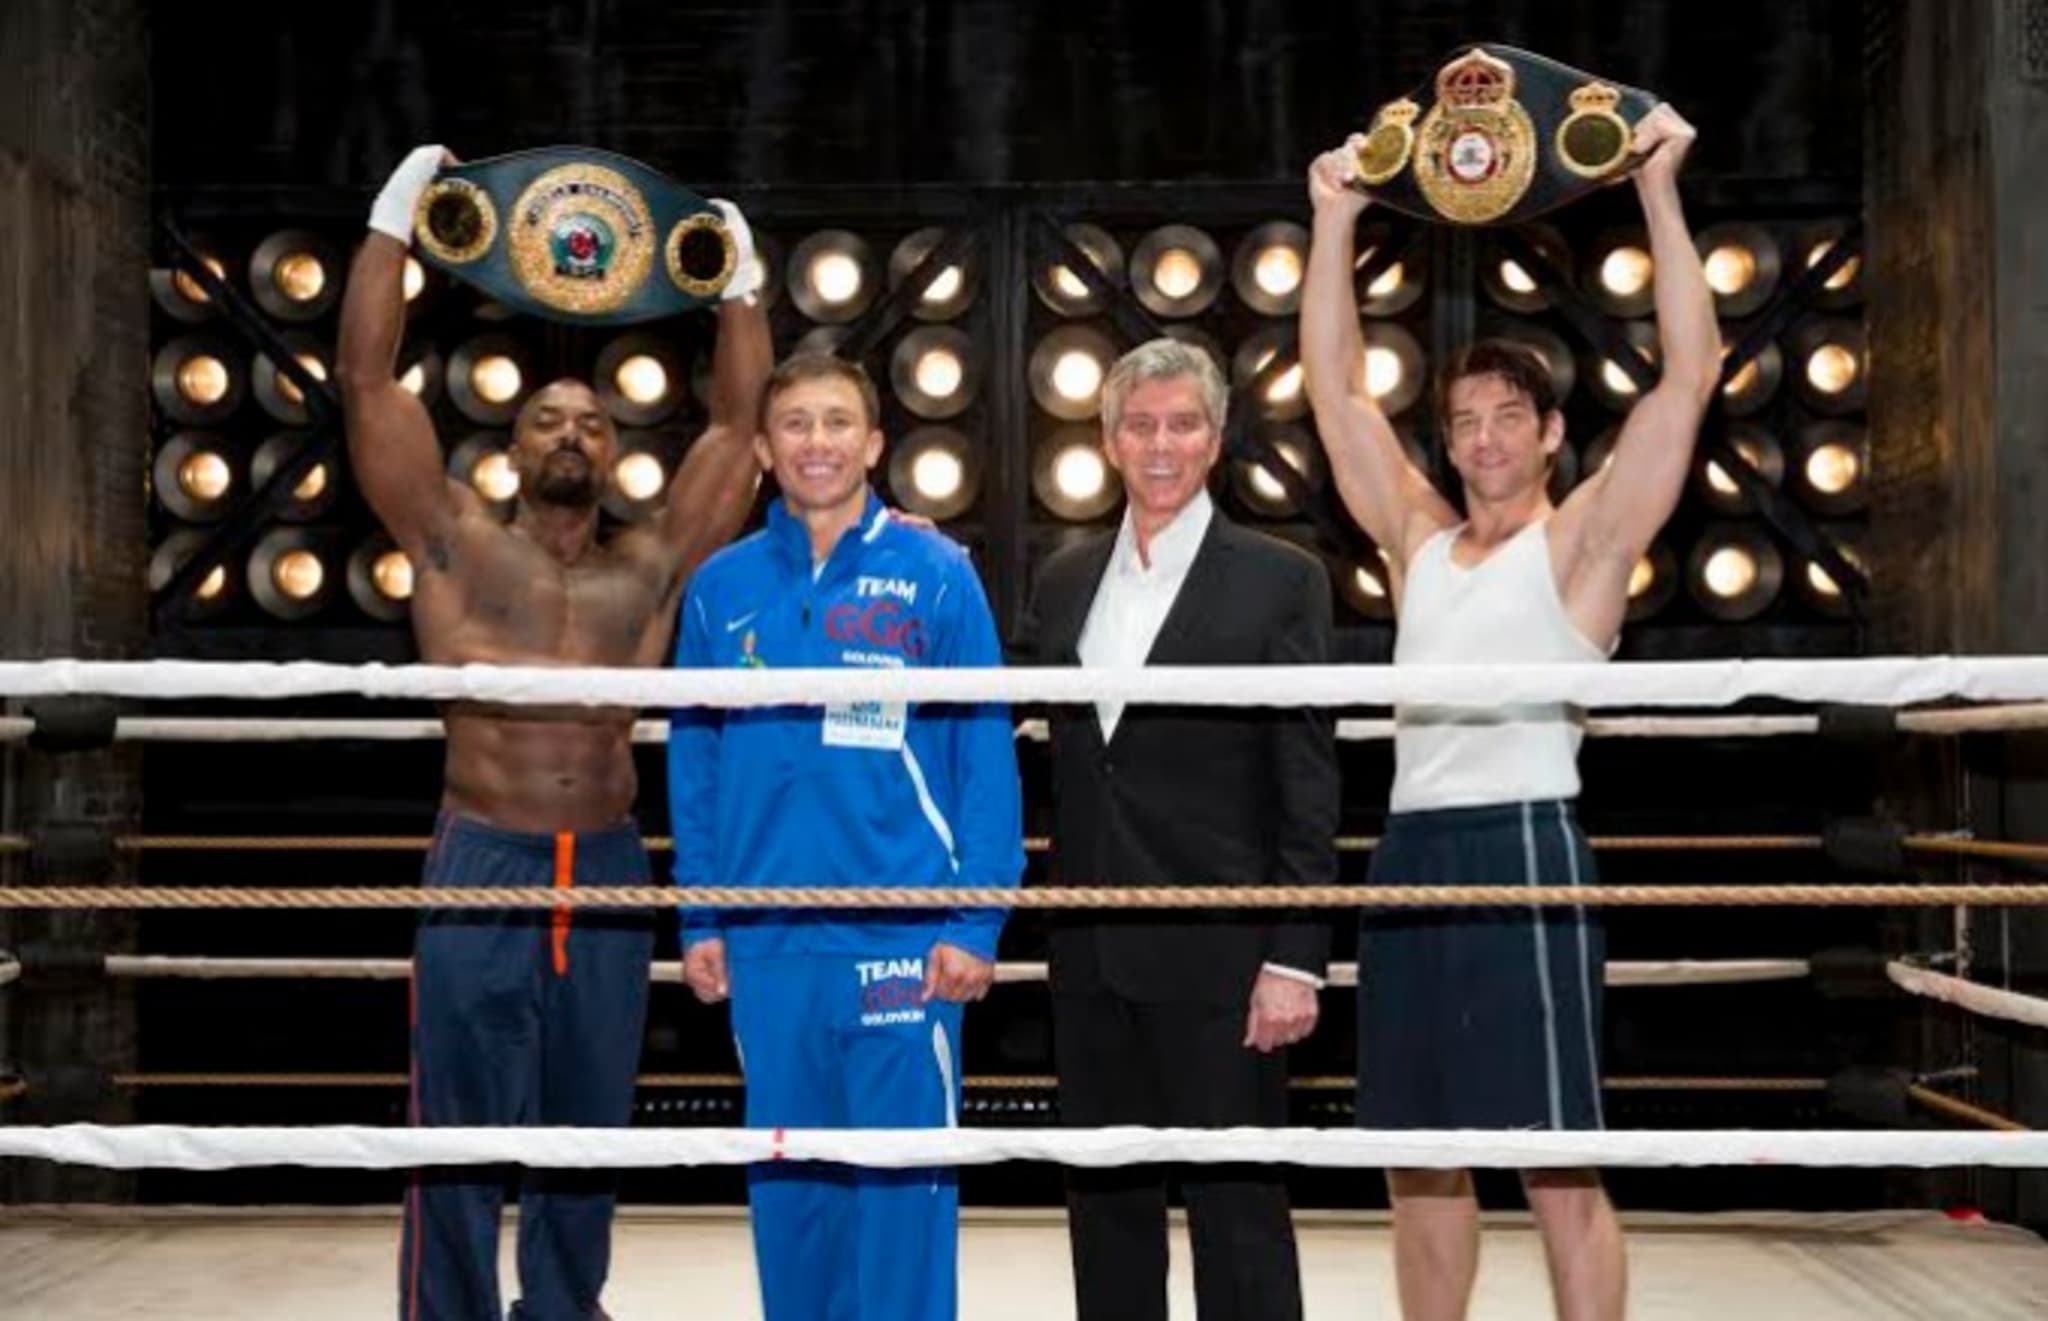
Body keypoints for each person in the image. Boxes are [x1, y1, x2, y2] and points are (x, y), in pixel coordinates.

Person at [336, 144, 773, 1321]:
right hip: (485, 852)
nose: (571, 432)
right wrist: (391, 224)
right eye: (547, 419)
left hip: (610, 865)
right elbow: (367, 385)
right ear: (511, 448)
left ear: (615, 451)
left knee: (590, 1122)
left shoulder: (652, 564)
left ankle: (566, 1310)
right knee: (459, 1123)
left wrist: (737, 283)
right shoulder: (454, 542)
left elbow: (741, 425)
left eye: (591, 420)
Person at [1300, 105, 1717, 1321]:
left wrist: (1656, 189)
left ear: (1548, 434)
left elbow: (1688, 377)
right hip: (1408, 854)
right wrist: (1332, 219)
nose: (1482, 439)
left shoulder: (1582, 544)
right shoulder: (1417, 544)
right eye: (1464, 421)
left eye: (1505, 418)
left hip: (1524, 841)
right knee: (1417, 1162)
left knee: (1552, 1160)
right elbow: (1333, 392)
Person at [669, 352, 1025, 1321]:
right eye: (795, 423)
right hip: (768, 940)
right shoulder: (719, 588)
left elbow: (984, 758)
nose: (816, 442)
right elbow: (694, 765)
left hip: (903, 937)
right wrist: (701, 912)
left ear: (873, 444)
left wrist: (975, 920)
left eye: (836, 422)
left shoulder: (937, 575)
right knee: (792, 1195)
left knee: (903, 1199)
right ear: (761, 448)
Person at [1025, 337, 1338, 1321]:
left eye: (1182, 424)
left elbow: (1306, 776)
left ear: (1215, 437)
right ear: (1109, 439)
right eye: (1140, 425)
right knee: (1105, 1212)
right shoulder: (1063, 578)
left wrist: (1295, 955)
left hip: (1224, 952)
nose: (1160, 444)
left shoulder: (1280, 578)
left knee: (1237, 1213)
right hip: (1090, 949)